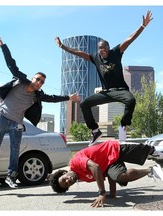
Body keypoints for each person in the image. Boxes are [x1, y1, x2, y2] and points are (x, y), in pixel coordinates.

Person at [0, 35, 80, 189]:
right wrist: (3, 46)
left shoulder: (37, 96)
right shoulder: (20, 81)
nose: (39, 83)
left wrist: (69, 97)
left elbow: (52, 98)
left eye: (42, 82)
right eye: (37, 79)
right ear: (32, 78)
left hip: (16, 122)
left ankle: (11, 176)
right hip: (2, 116)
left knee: (15, 149)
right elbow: (11, 64)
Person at [55, 10, 153, 146]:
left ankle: (123, 126)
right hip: (106, 92)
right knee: (84, 104)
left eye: (105, 47)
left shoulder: (116, 52)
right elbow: (78, 52)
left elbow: (130, 39)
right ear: (98, 49)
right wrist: (63, 47)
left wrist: (142, 26)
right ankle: (95, 131)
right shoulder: (95, 57)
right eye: (101, 48)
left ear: (108, 47)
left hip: (120, 90)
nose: (103, 50)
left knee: (131, 100)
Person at [49, 139, 163, 208]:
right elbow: (105, 173)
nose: (68, 181)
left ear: (64, 172)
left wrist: (102, 193)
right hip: (110, 163)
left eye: (64, 179)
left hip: (113, 148)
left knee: (148, 151)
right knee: (121, 177)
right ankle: (151, 170)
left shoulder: (75, 161)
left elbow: (95, 167)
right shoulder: (83, 177)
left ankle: (153, 150)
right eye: (67, 185)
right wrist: (113, 193)